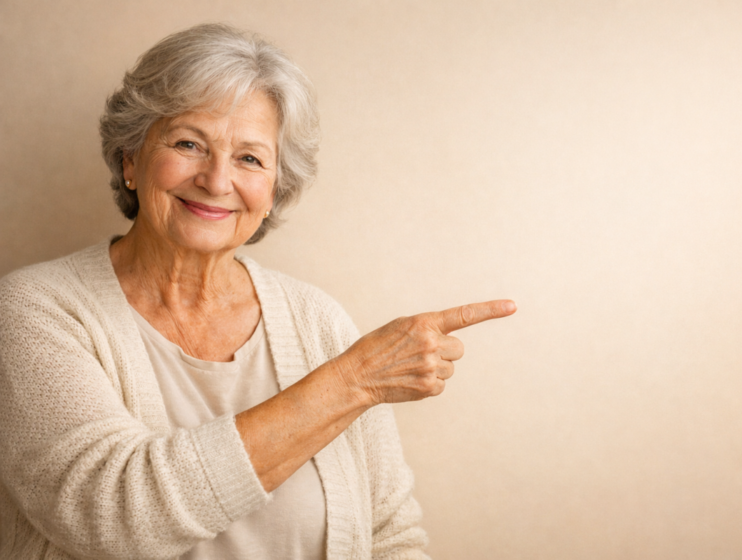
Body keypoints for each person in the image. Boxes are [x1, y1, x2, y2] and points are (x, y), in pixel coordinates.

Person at [0, 23, 515, 560]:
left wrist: (353, 375)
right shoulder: (36, 311)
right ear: (131, 160)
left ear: (274, 189)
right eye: (188, 144)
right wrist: (353, 381)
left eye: (249, 158)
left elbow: (390, 535)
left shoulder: (318, 321)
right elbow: (113, 517)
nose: (217, 181)